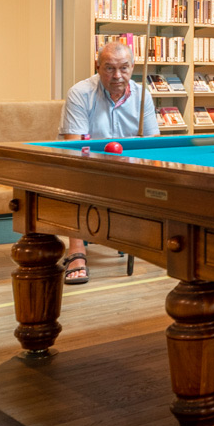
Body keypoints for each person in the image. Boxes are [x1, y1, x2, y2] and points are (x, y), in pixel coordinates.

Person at [58, 42, 158, 283]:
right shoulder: (80, 93)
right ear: (98, 67)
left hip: (128, 167)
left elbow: (153, 145)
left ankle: (156, 245)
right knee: (76, 174)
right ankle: (76, 252)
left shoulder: (143, 95)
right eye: (109, 68)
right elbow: (74, 147)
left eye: (124, 68)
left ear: (132, 67)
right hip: (88, 165)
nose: (117, 76)